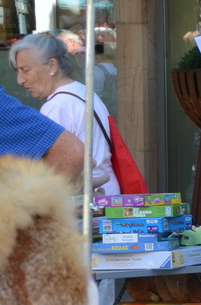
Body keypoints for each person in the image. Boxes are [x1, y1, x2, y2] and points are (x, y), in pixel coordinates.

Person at [9, 32, 117, 194]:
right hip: (106, 192)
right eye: (18, 71)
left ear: (52, 66)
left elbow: (51, 167)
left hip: (87, 199)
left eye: (25, 70)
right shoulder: (82, 91)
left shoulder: (58, 106)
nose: (20, 80)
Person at [0, 87, 81, 181]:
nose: (20, 81)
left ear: (52, 71)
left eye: (26, 71)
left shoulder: (55, 105)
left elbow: (71, 153)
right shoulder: (80, 93)